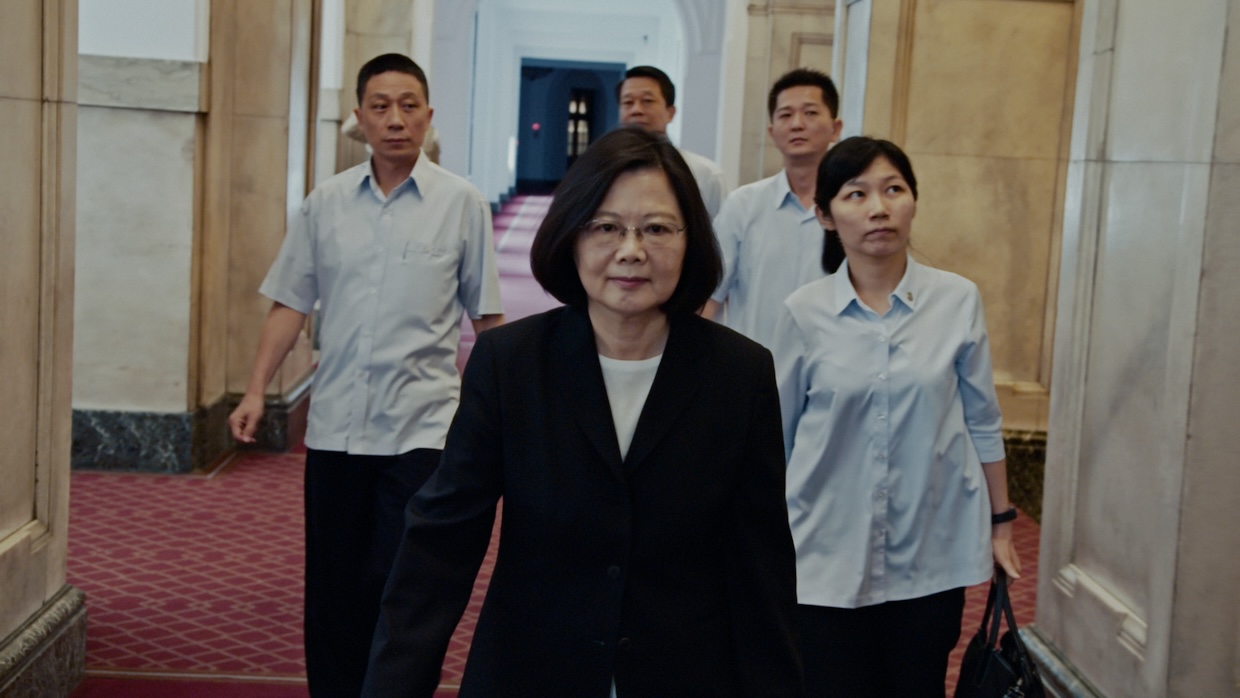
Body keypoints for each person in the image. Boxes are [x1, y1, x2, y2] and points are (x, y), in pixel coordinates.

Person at [362, 127, 802, 697]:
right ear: (571, 237)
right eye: (606, 227)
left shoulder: (738, 375)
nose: (631, 250)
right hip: (532, 670)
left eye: (658, 229)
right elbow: (441, 544)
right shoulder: (511, 365)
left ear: (691, 239)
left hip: (685, 673)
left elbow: (760, 568)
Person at [227, 53, 504, 696]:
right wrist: (254, 390)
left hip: (423, 427)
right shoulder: (325, 205)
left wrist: (503, 418)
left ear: (429, 116)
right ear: (359, 118)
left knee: (402, 583)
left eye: (409, 105)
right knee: (333, 587)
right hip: (335, 429)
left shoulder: (461, 204)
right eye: (380, 106)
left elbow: (488, 320)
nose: (396, 120)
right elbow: (290, 303)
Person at [771, 136, 1021, 697]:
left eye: (893, 190)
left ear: (913, 201)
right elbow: (777, 439)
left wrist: (1001, 524)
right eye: (856, 194)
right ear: (826, 216)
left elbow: (982, 419)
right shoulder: (803, 313)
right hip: (824, 555)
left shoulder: (958, 300)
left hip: (930, 550)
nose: (878, 208)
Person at [703, 68, 843, 348]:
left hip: (833, 372)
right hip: (755, 373)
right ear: (772, 131)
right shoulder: (743, 205)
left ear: (835, 128)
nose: (797, 124)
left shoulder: (850, 208)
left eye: (811, 113)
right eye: (786, 115)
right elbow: (711, 297)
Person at [617, 65, 728, 218]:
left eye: (647, 101)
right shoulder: (601, 170)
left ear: (670, 113)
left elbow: (718, 236)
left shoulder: (705, 175)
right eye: (628, 102)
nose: (637, 110)